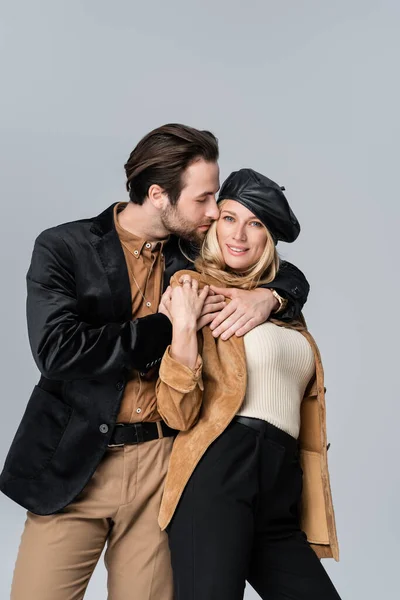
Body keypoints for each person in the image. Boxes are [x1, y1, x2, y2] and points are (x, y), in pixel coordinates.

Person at [0, 127, 310, 600]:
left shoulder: (192, 251)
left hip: (162, 468)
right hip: (74, 466)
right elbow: (60, 352)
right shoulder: (65, 247)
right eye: (205, 199)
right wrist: (166, 328)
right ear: (158, 194)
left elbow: (280, 267)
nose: (215, 212)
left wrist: (270, 297)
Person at [156, 168, 341, 600]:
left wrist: (272, 296)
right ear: (213, 224)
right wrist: (182, 331)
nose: (240, 234)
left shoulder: (281, 304)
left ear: (269, 238)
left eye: (256, 223)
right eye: (229, 218)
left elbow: (291, 282)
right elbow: (177, 412)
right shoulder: (193, 288)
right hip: (220, 471)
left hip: (280, 485)